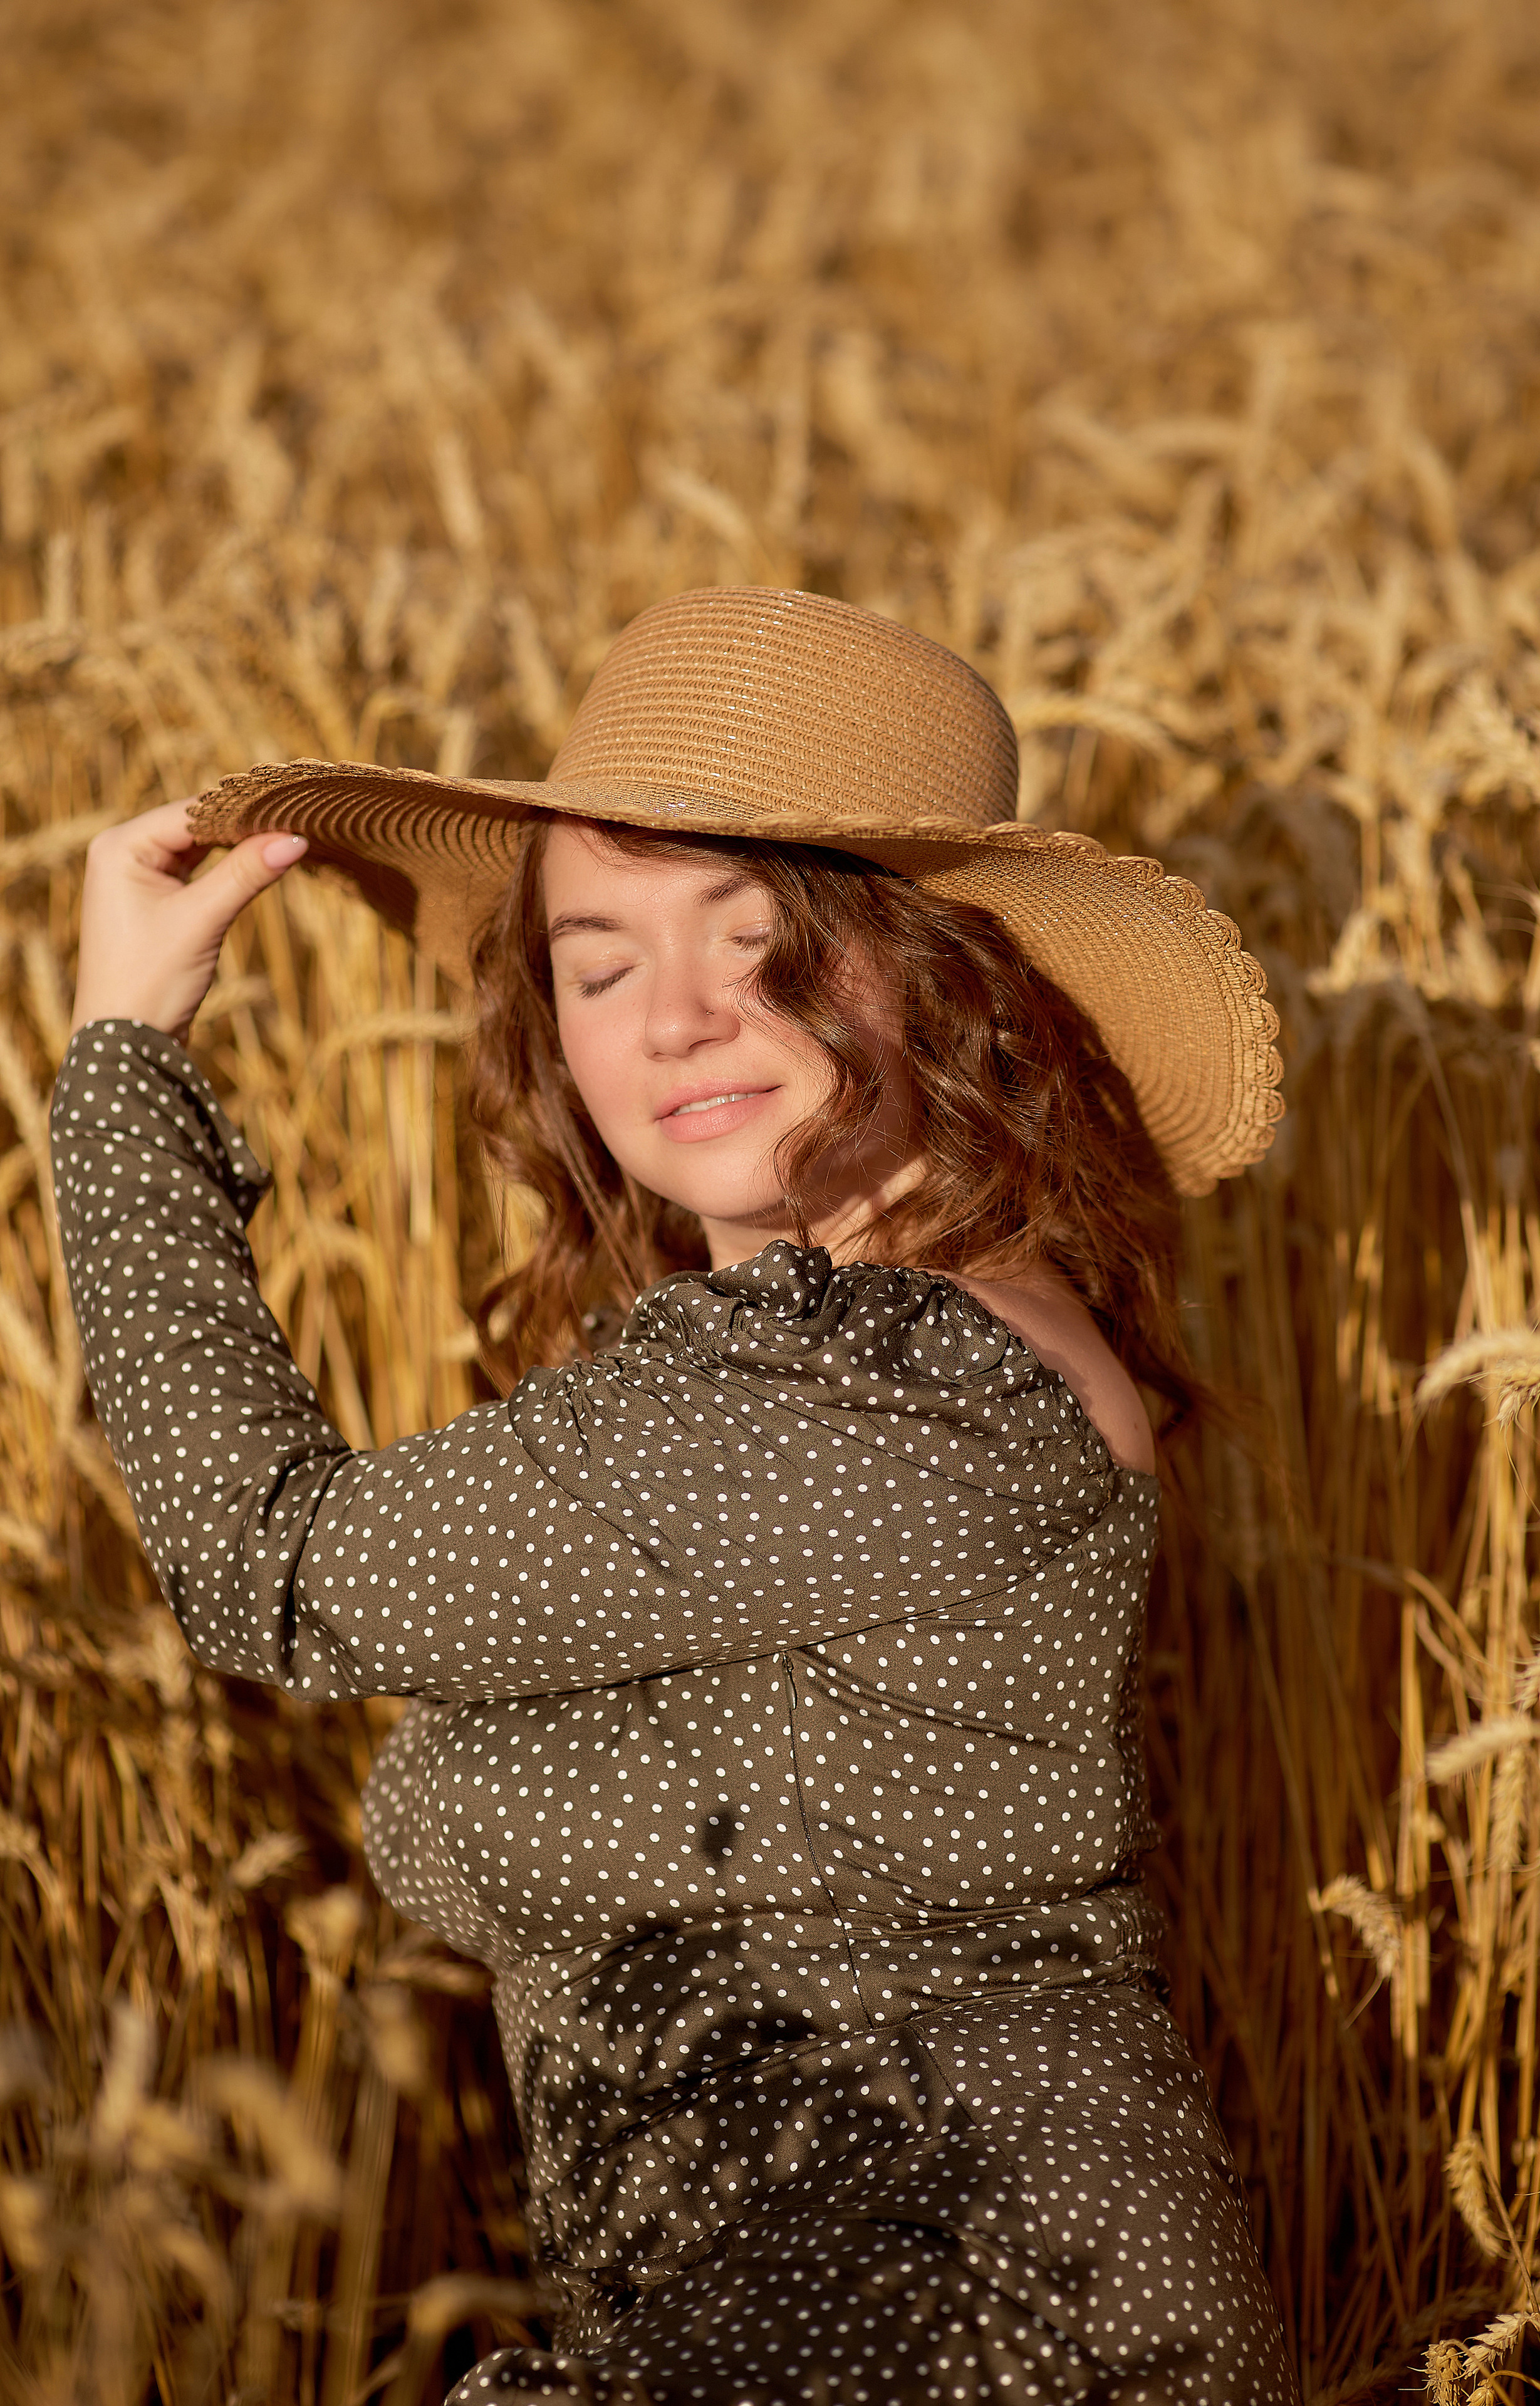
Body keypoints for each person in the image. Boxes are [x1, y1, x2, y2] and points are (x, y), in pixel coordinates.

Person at [52, 586, 1295, 2403]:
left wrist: (122, 1063)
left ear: (951, 972)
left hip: (965, 2339)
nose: (683, 1018)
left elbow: (274, 1571)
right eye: (601, 960)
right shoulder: (903, 1347)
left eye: (767, 938)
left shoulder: (880, 1374)